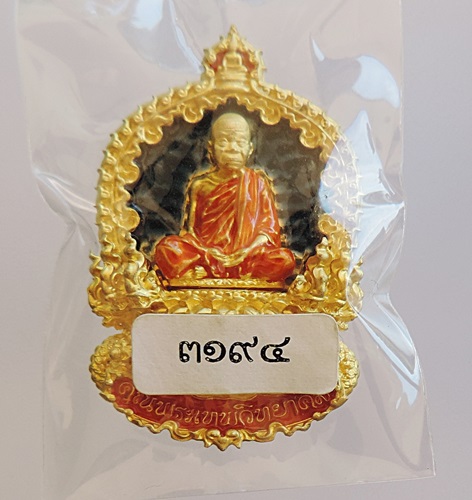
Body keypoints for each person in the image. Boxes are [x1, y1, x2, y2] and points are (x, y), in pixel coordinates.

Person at [154, 112, 295, 281]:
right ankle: (206, 270)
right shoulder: (200, 185)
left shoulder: (257, 183)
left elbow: (268, 230)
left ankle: (239, 273)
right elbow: (191, 232)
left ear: (250, 149)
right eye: (224, 141)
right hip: (208, 256)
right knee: (166, 248)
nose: (232, 148)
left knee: (285, 259)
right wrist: (207, 252)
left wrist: (247, 250)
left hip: (247, 258)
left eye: (240, 142)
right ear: (211, 148)